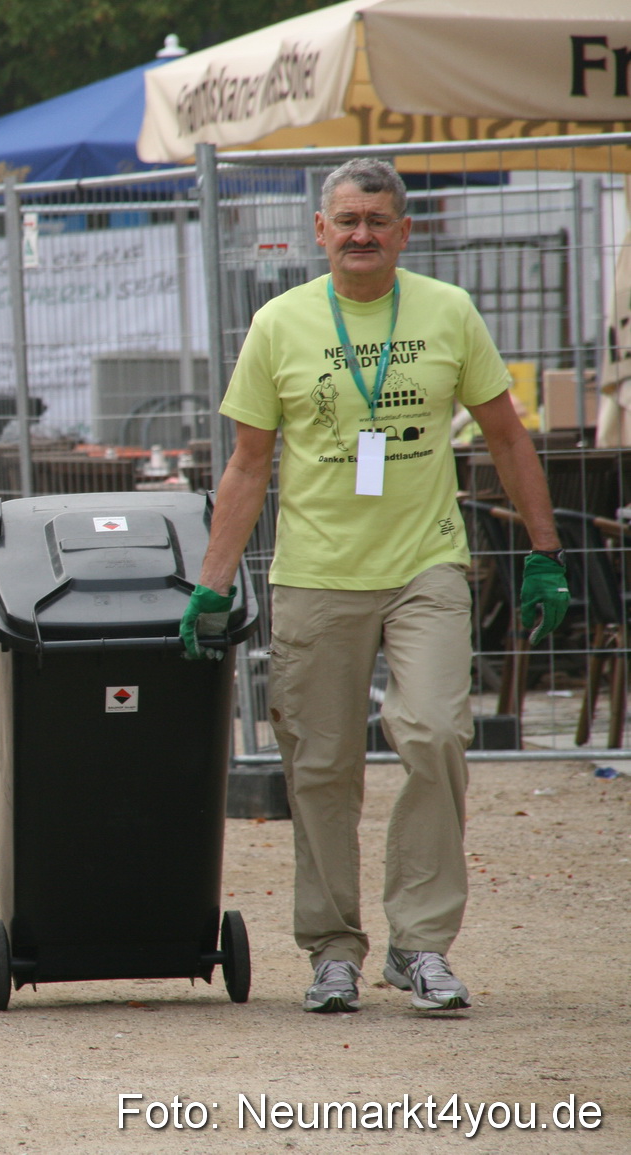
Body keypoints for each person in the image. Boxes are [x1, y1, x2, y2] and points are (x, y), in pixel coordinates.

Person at [183, 158, 570, 1016]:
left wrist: (544, 550)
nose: (362, 234)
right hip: (315, 574)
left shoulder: (448, 313)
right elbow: (248, 464)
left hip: (425, 565)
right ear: (319, 231)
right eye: (347, 220)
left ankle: (421, 944)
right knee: (321, 767)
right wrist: (214, 585)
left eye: (378, 221)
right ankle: (331, 950)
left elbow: (507, 436)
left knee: (433, 733)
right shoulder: (278, 325)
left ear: (405, 232)